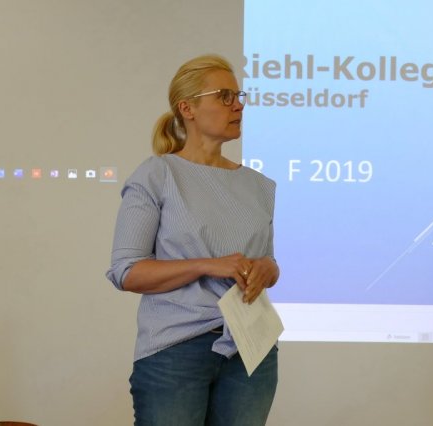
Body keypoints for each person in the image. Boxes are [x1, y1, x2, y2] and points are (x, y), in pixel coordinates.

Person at [106, 54, 280, 426]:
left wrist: (267, 268)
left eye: (239, 96)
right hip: (175, 351)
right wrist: (207, 265)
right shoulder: (157, 174)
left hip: (252, 349)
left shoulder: (259, 186)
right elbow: (127, 271)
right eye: (225, 96)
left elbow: (267, 261)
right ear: (187, 108)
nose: (238, 106)